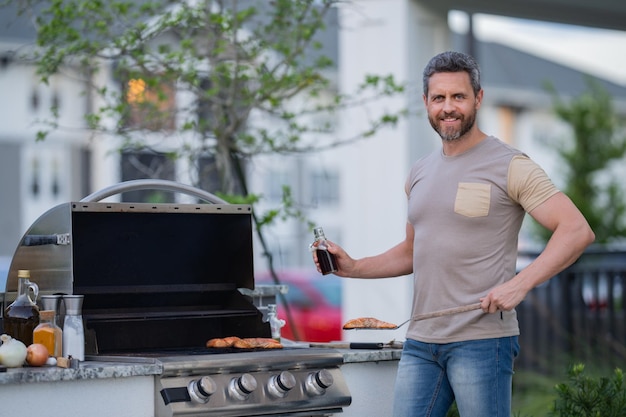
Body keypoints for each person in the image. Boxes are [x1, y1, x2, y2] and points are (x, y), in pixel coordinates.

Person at [312, 51, 595, 417]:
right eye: (439, 98)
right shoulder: (420, 172)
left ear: (478, 98)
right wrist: (352, 266)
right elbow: (412, 251)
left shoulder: (510, 164)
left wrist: (519, 284)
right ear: (426, 103)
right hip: (421, 341)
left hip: (481, 342)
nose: (449, 107)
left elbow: (576, 230)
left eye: (458, 97)